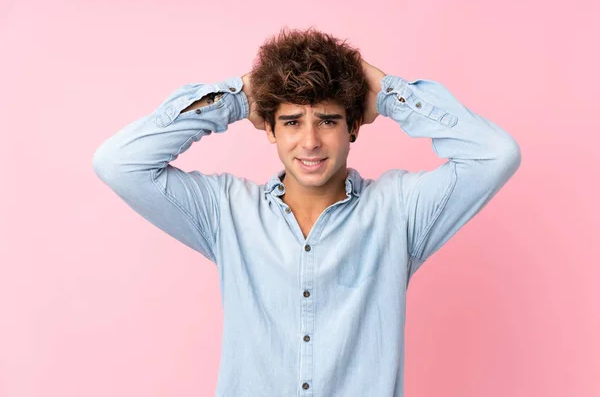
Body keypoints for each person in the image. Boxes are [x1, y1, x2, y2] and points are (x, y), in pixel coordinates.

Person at [93, 27, 521, 396]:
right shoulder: (226, 212)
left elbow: (494, 155)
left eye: (329, 121)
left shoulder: (400, 211)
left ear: (354, 126)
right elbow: (119, 162)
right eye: (293, 121)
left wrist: (389, 93)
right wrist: (240, 98)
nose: (311, 141)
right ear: (271, 130)